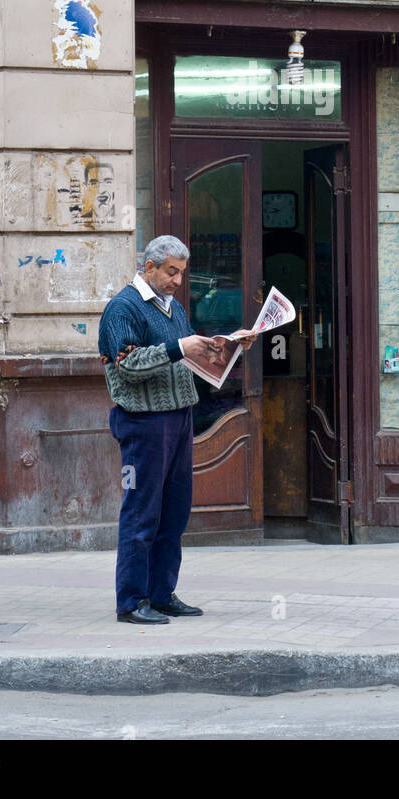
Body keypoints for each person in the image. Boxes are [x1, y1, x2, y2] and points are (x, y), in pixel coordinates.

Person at [98, 234, 255, 625]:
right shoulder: (122, 309)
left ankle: (161, 594)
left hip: (179, 419)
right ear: (148, 267)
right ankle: (131, 602)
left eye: (182, 273)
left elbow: (187, 357)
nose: (178, 281)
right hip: (143, 423)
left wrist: (226, 349)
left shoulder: (173, 309)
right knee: (141, 513)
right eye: (172, 272)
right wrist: (180, 348)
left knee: (174, 513)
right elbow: (126, 365)